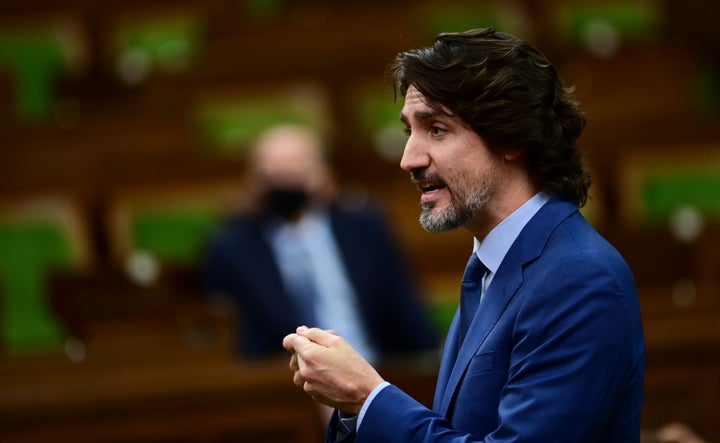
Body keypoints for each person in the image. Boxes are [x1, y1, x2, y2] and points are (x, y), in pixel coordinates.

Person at [283, 27, 646, 442]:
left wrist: (367, 397)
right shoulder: (491, 265)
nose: (409, 159)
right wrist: (356, 408)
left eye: (436, 129)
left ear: (509, 136)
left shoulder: (579, 279)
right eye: (409, 132)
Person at [202, 123, 438, 363]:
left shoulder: (365, 229)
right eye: (274, 174)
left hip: (377, 371)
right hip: (287, 387)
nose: (286, 184)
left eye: (296, 171)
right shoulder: (231, 248)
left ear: (326, 174)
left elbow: (404, 310)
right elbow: (237, 344)